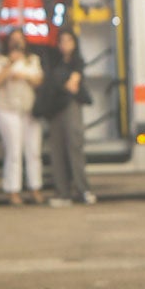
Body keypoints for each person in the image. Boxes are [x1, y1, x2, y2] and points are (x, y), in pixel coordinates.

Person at [0, 28, 45, 206]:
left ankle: (35, 188)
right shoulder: (0, 59)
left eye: (20, 39)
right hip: (6, 109)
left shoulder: (32, 60)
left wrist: (24, 74)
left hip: (28, 110)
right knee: (14, 150)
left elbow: (39, 81)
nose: (17, 43)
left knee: (33, 151)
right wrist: (10, 66)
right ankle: (13, 191)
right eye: (13, 39)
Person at [41, 27, 96, 207]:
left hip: (70, 106)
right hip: (55, 108)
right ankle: (62, 192)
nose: (65, 45)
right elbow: (53, 83)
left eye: (69, 41)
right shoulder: (53, 61)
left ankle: (83, 189)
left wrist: (62, 83)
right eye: (62, 41)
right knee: (57, 150)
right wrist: (63, 84)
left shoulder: (77, 62)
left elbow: (73, 84)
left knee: (74, 145)